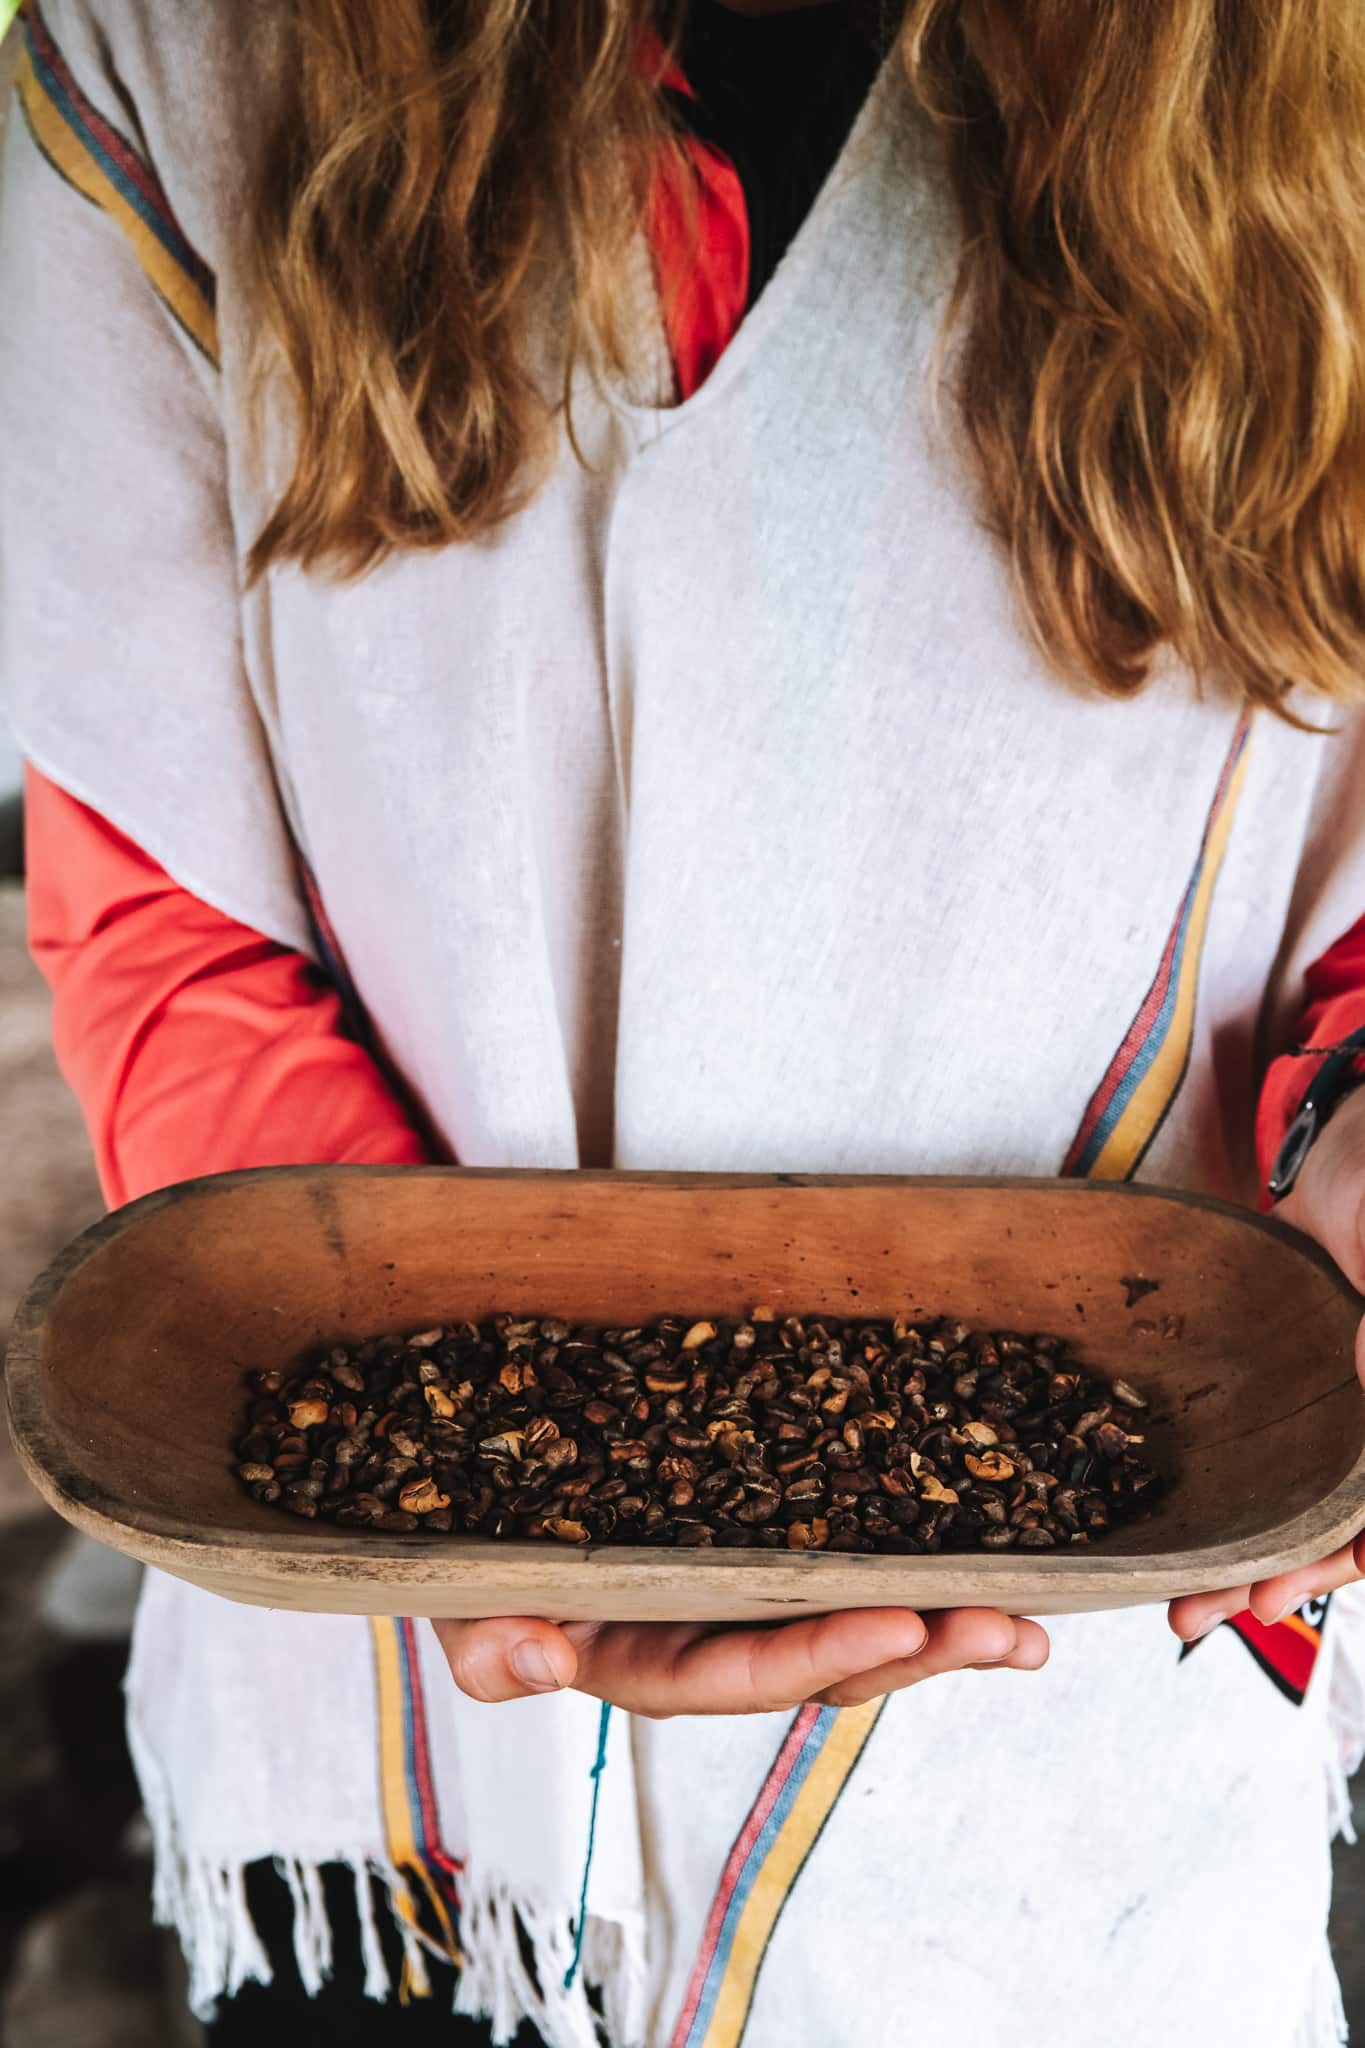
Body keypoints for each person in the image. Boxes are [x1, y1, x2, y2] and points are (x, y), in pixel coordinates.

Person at [4, 0, 1365, 2040]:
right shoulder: (183, 58)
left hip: (1072, 1718)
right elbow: (173, 898)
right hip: (414, 1783)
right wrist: (446, 1483)